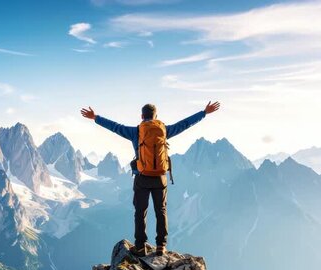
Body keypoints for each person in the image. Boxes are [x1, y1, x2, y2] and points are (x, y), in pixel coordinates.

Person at [80, 101, 221, 256]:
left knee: (140, 212)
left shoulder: (136, 132)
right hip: (160, 177)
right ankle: (161, 246)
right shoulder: (164, 130)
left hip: (142, 178)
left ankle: (140, 246)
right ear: (156, 117)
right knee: (161, 210)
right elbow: (185, 124)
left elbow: (115, 127)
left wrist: (95, 117)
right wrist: (204, 113)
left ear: (142, 116)